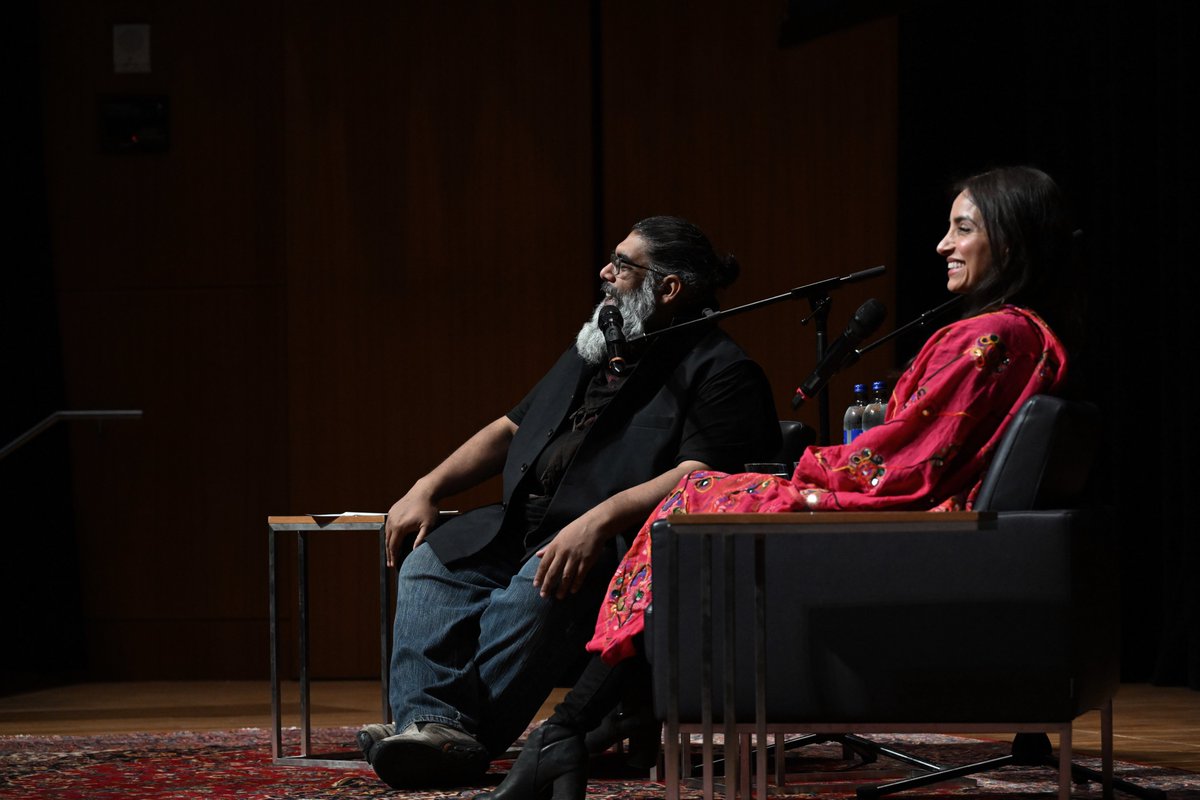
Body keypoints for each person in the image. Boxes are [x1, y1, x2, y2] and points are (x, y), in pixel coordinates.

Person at [475, 165, 1078, 800]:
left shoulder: (992, 335)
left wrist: (804, 470)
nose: (942, 245)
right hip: (940, 533)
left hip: (918, 537)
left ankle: (570, 731)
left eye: (962, 229)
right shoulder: (1026, 333)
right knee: (704, 505)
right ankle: (579, 730)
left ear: (1008, 244)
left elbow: (904, 465)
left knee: (695, 503)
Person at [358, 216, 782, 789]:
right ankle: (433, 726)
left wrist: (598, 519)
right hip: (519, 524)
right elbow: (510, 428)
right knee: (430, 564)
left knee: (540, 585)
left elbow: (702, 475)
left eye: (623, 265)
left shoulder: (720, 369)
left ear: (670, 288)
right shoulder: (595, 349)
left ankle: (450, 738)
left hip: (612, 544)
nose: (605, 274)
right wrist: (425, 487)